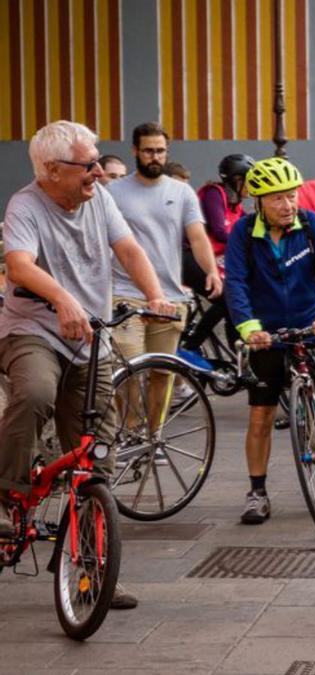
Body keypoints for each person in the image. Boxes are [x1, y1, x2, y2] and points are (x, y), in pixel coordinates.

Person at [0, 120, 176, 609]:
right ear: (53, 170)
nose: (99, 171)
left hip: (90, 339)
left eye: (98, 161)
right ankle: (7, 498)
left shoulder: (98, 198)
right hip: (32, 331)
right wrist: (61, 298)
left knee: (96, 451)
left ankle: (96, 569)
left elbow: (128, 248)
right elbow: (18, 265)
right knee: (34, 393)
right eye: (89, 164)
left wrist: (155, 294)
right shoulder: (26, 206)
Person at [223, 157, 315, 524]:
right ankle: (257, 492)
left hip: (311, 325)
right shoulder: (243, 232)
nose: (288, 205)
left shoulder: (311, 224)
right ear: (259, 201)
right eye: (278, 199)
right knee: (260, 417)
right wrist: (249, 328)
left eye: (291, 196)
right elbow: (235, 283)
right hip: (267, 335)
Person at [108, 123, 219, 370]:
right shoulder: (113, 192)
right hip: (125, 295)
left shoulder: (182, 192)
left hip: (169, 296)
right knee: (128, 373)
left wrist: (211, 270)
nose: (155, 157)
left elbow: (198, 237)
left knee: (163, 375)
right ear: (135, 151)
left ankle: (156, 413)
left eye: (160, 150)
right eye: (148, 151)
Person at [181, 153, 254, 359]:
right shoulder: (215, 193)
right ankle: (191, 347)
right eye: (249, 181)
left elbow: (249, 227)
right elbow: (220, 230)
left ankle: (237, 355)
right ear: (237, 180)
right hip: (189, 256)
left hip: (211, 259)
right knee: (227, 298)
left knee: (236, 299)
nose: (252, 186)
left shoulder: (236, 203)